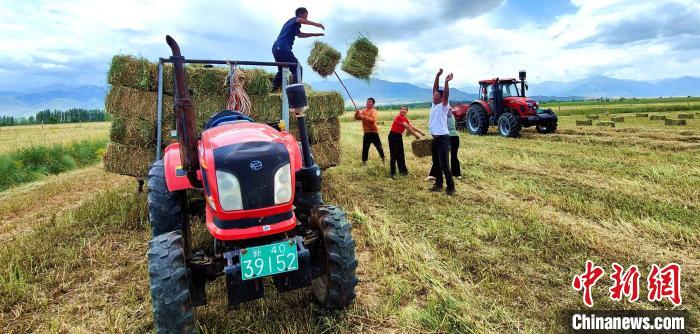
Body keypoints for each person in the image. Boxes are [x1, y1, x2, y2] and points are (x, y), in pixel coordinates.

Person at [271, 7, 325, 90]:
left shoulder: (294, 26)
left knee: (281, 71)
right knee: (297, 68)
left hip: (276, 49)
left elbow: (300, 35)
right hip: (283, 48)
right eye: (305, 16)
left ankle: (273, 88)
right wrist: (317, 24)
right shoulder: (294, 20)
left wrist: (314, 34)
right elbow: (300, 20)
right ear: (300, 14)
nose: (306, 18)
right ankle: (295, 92)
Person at [428, 69, 455, 195]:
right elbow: (435, 89)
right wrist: (437, 75)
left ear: (441, 98)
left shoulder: (444, 106)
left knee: (445, 164)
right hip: (436, 139)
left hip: (443, 138)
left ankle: (451, 188)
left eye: (436, 95)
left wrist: (446, 82)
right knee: (436, 163)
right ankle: (438, 184)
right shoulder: (434, 105)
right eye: (434, 95)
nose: (433, 96)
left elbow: (446, 95)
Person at [388, 106, 424, 177]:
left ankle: (403, 172)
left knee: (401, 154)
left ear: (407, 111)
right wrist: (416, 135)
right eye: (401, 109)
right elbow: (407, 127)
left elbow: (411, 126)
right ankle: (393, 173)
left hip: (398, 136)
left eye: (404, 109)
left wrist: (420, 132)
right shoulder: (399, 117)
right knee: (394, 155)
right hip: (393, 136)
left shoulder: (404, 118)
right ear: (400, 110)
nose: (403, 110)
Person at [427, 111, 461, 179]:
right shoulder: (452, 116)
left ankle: (433, 174)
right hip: (455, 136)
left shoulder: (441, 117)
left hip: (445, 137)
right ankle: (457, 174)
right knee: (454, 156)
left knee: (439, 156)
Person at [355, 97, 385, 164]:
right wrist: (357, 113)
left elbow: (373, 120)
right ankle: (364, 162)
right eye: (367, 101)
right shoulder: (363, 111)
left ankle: (383, 159)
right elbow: (357, 118)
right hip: (366, 133)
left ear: (372, 104)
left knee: (379, 147)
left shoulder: (374, 111)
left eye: (369, 102)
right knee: (365, 148)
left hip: (373, 132)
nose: (367, 103)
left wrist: (363, 117)